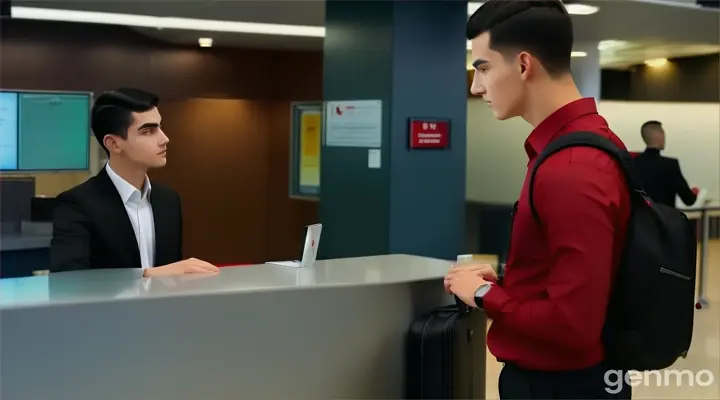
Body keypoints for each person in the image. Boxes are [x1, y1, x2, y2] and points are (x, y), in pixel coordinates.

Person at [445, 1, 632, 399]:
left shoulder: (571, 166)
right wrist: (514, 287)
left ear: (524, 65)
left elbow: (572, 324)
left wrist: (481, 295)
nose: (476, 87)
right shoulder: (582, 144)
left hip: (559, 387)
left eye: (482, 67)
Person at [50, 88, 218, 277]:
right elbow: (67, 280)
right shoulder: (77, 204)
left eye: (161, 127)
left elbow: (172, 276)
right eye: (148, 131)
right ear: (113, 144)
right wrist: (146, 275)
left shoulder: (168, 200)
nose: (164, 139)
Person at [634, 120, 699, 208]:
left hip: (638, 220)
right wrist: (695, 192)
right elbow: (688, 200)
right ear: (660, 135)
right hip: (664, 220)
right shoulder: (671, 165)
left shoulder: (633, 163)